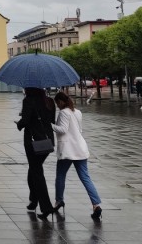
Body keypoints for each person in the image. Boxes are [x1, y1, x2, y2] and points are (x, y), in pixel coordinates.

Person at [51, 91, 103, 221]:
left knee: (60, 176)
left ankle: (59, 201)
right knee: (85, 178)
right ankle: (96, 205)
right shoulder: (77, 112)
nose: (57, 105)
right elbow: (79, 130)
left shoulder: (64, 113)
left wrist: (49, 125)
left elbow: (63, 129)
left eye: (57, 103)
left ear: (60, 102)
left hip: (68, 150)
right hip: (80, 149)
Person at [15, 87, 56, 219]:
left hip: (33, 142)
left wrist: (19, 124)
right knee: (34, 170)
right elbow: (51, 120)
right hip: (48, 141)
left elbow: (25, 121)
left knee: (36, 173)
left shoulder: (28, 100)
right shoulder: (49, 101)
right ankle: (33, 201)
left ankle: (46, 207)